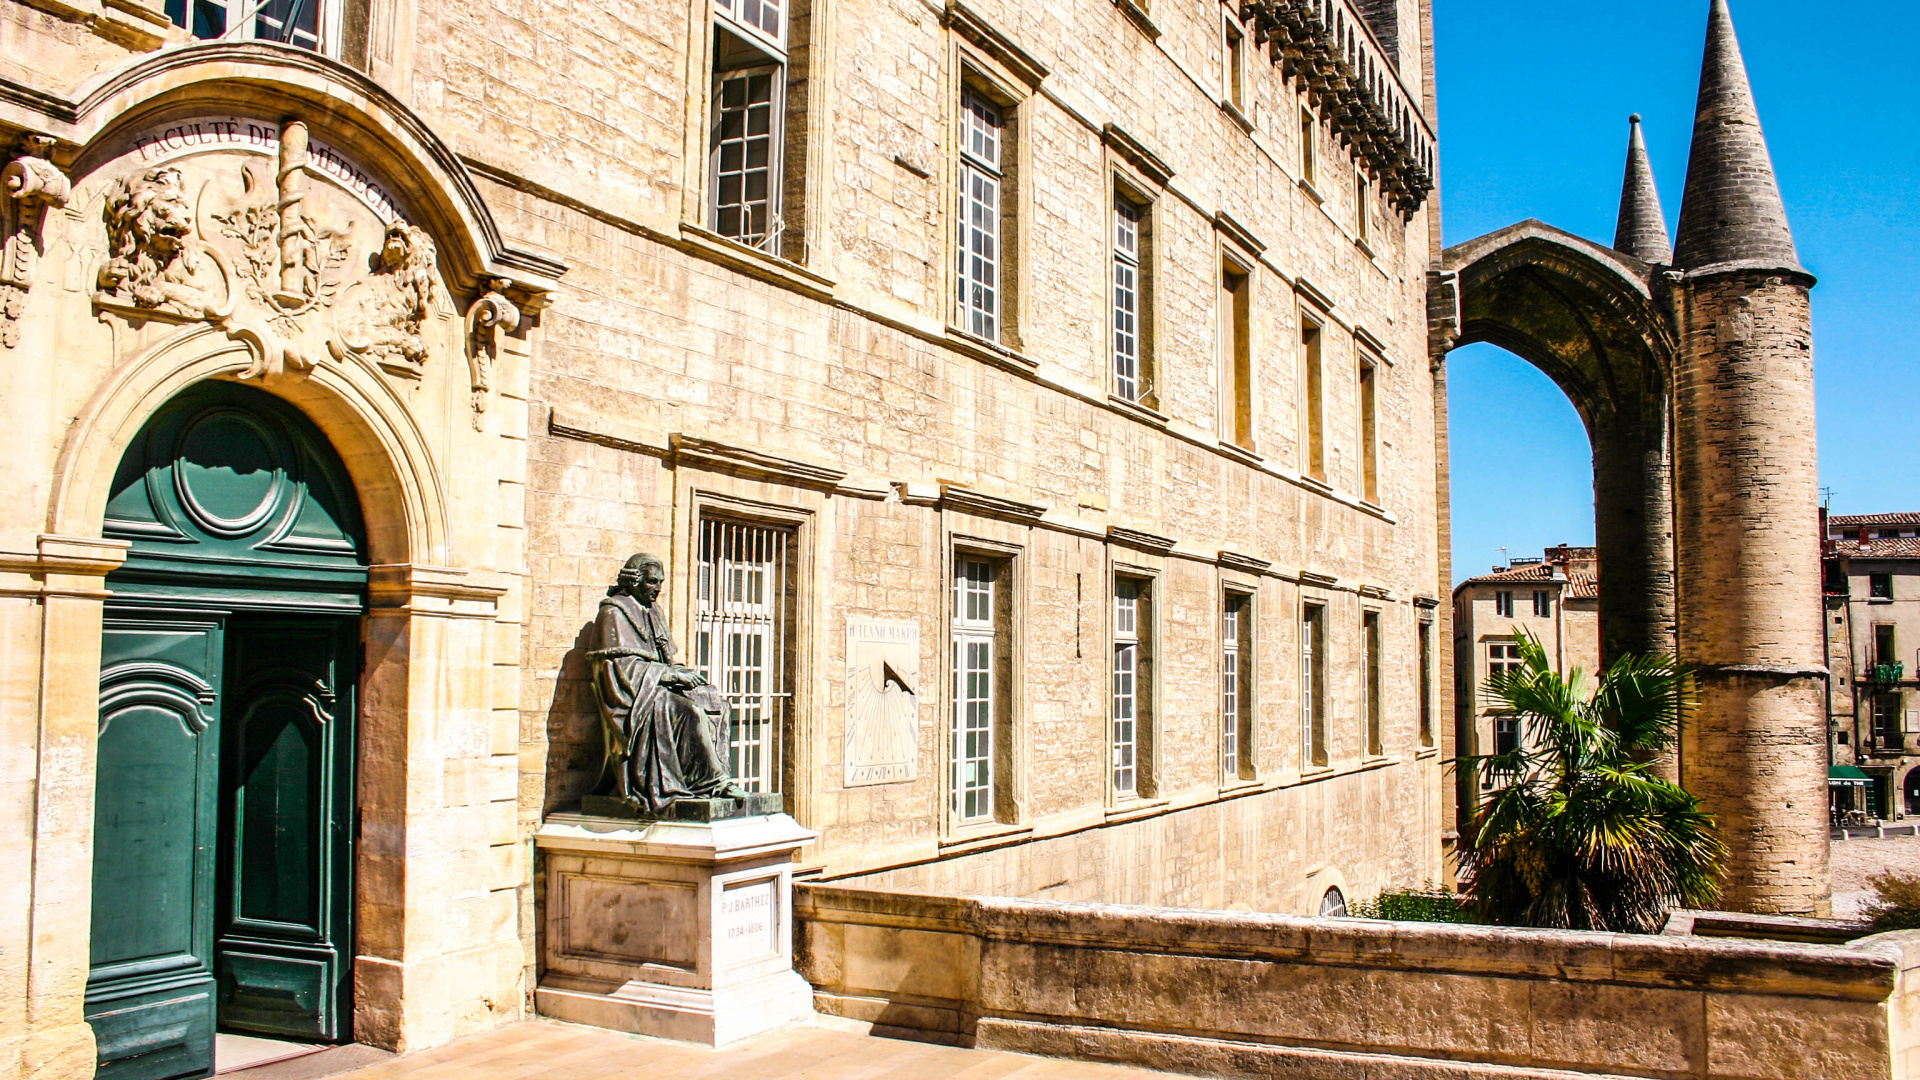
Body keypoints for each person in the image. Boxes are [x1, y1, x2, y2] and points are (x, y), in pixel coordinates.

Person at [590, 553, 746, 812]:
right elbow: (615, 669)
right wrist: (666, 675)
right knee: (689, 712)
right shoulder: (613, 612)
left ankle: (714, 777)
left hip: (653, 686)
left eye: (660, 583)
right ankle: (712, 783)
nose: (657, 589)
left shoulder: (654, 612)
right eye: (652, 582)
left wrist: (683, 675)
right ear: (634, 581)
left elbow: (665, 659)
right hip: (633, 697)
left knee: (712, 700)